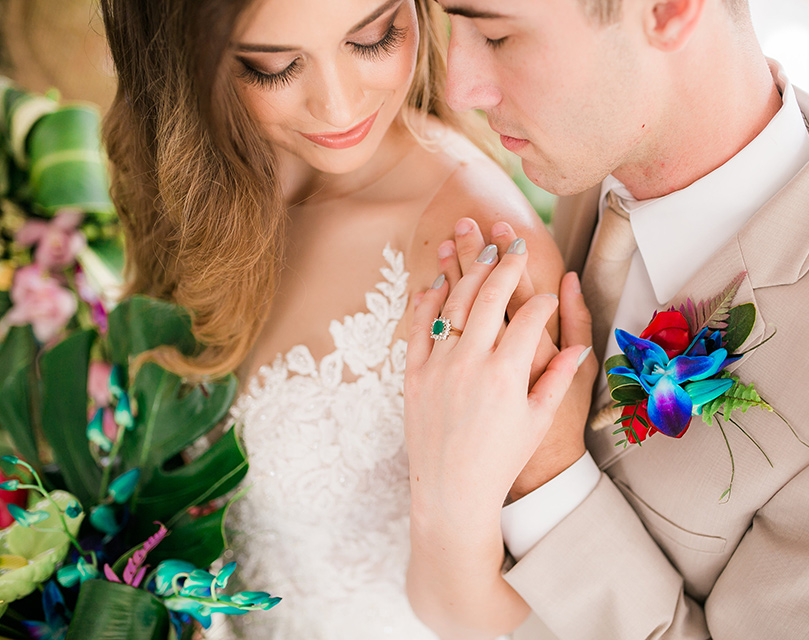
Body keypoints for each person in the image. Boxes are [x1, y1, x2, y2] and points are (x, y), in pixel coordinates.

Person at [403, 0, 809, 638]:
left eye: (499, 36)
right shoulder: (589, 146)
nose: (458, 85)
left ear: (668, 10)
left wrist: (547, 471)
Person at [97, 0, 570, 637]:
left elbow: (546, 613)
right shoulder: (195, 178)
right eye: (274, 66)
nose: (340, 107)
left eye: (374, 36)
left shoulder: (478, 258)